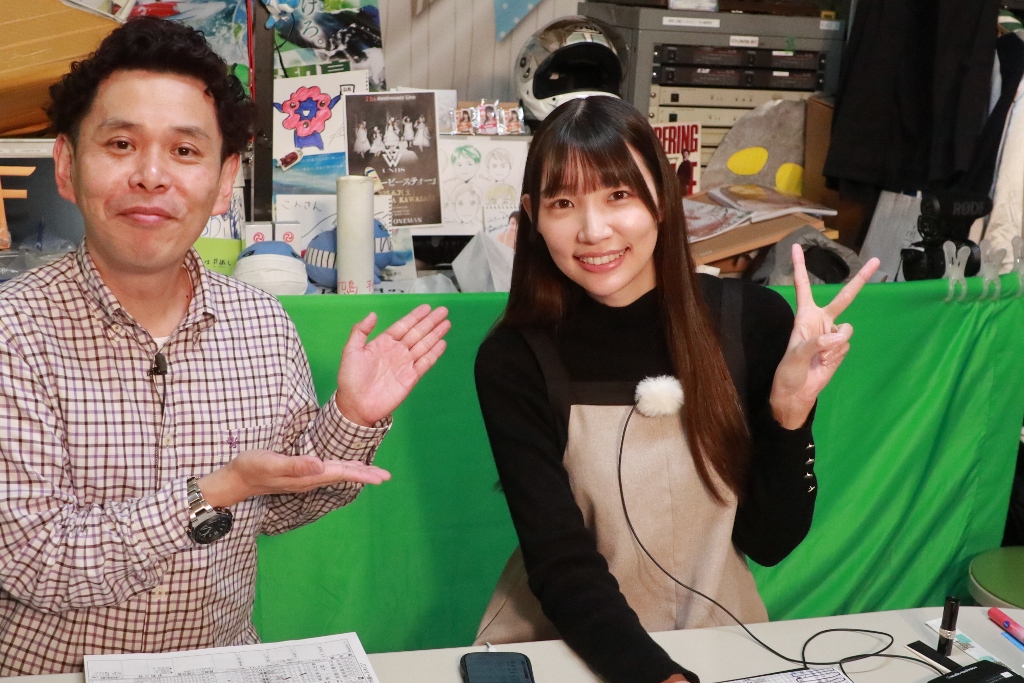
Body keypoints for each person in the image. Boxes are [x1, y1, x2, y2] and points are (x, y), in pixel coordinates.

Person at [0, 17, 449, 675]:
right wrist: (215, 490)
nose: (152, 175)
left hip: (220, 663)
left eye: (185, 150)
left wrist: (350, 418)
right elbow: (33, 561)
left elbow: (283, 505)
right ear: (67, 166)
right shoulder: (13, 332)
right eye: (121, 143)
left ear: (222, 179)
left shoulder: (261, 323)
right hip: (54, 672)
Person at [472, 96, 879, 683]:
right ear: (533, 215)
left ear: (663, 198)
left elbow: (770, 542)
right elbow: (560, 561)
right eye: (564, 203)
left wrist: (790, 414)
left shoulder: (751, 322)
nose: (593, 230)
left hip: (718, 640)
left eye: (618, 195)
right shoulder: (514, 360)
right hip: (565, 647)